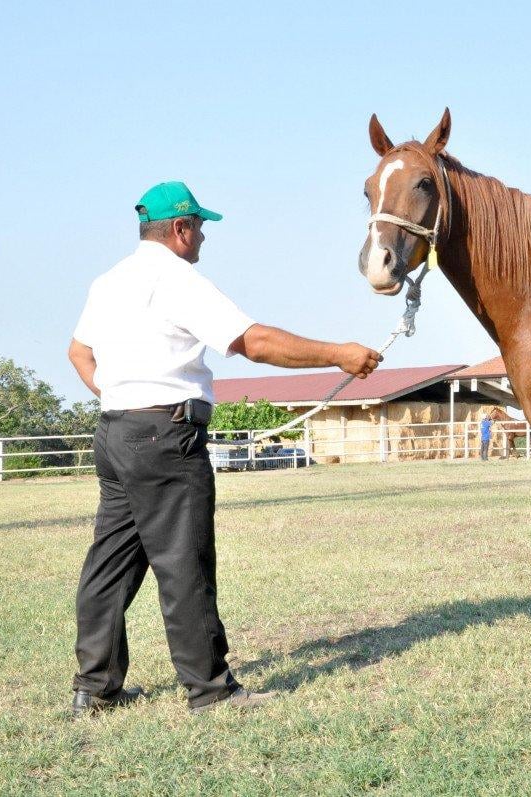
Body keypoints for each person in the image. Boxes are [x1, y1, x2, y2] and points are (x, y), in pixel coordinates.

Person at [67, 181, 381, 716]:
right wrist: (338, 353)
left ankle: (95, 688)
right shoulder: (177, 280)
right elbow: (252, 342)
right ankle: (210, 691)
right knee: (184, 563)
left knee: (110, 564)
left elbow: (78, 353)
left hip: (115, 432)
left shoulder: (108, 281)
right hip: (165, 437)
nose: (204, 238)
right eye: (200, 227)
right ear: (180, 228)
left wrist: (124, 397)